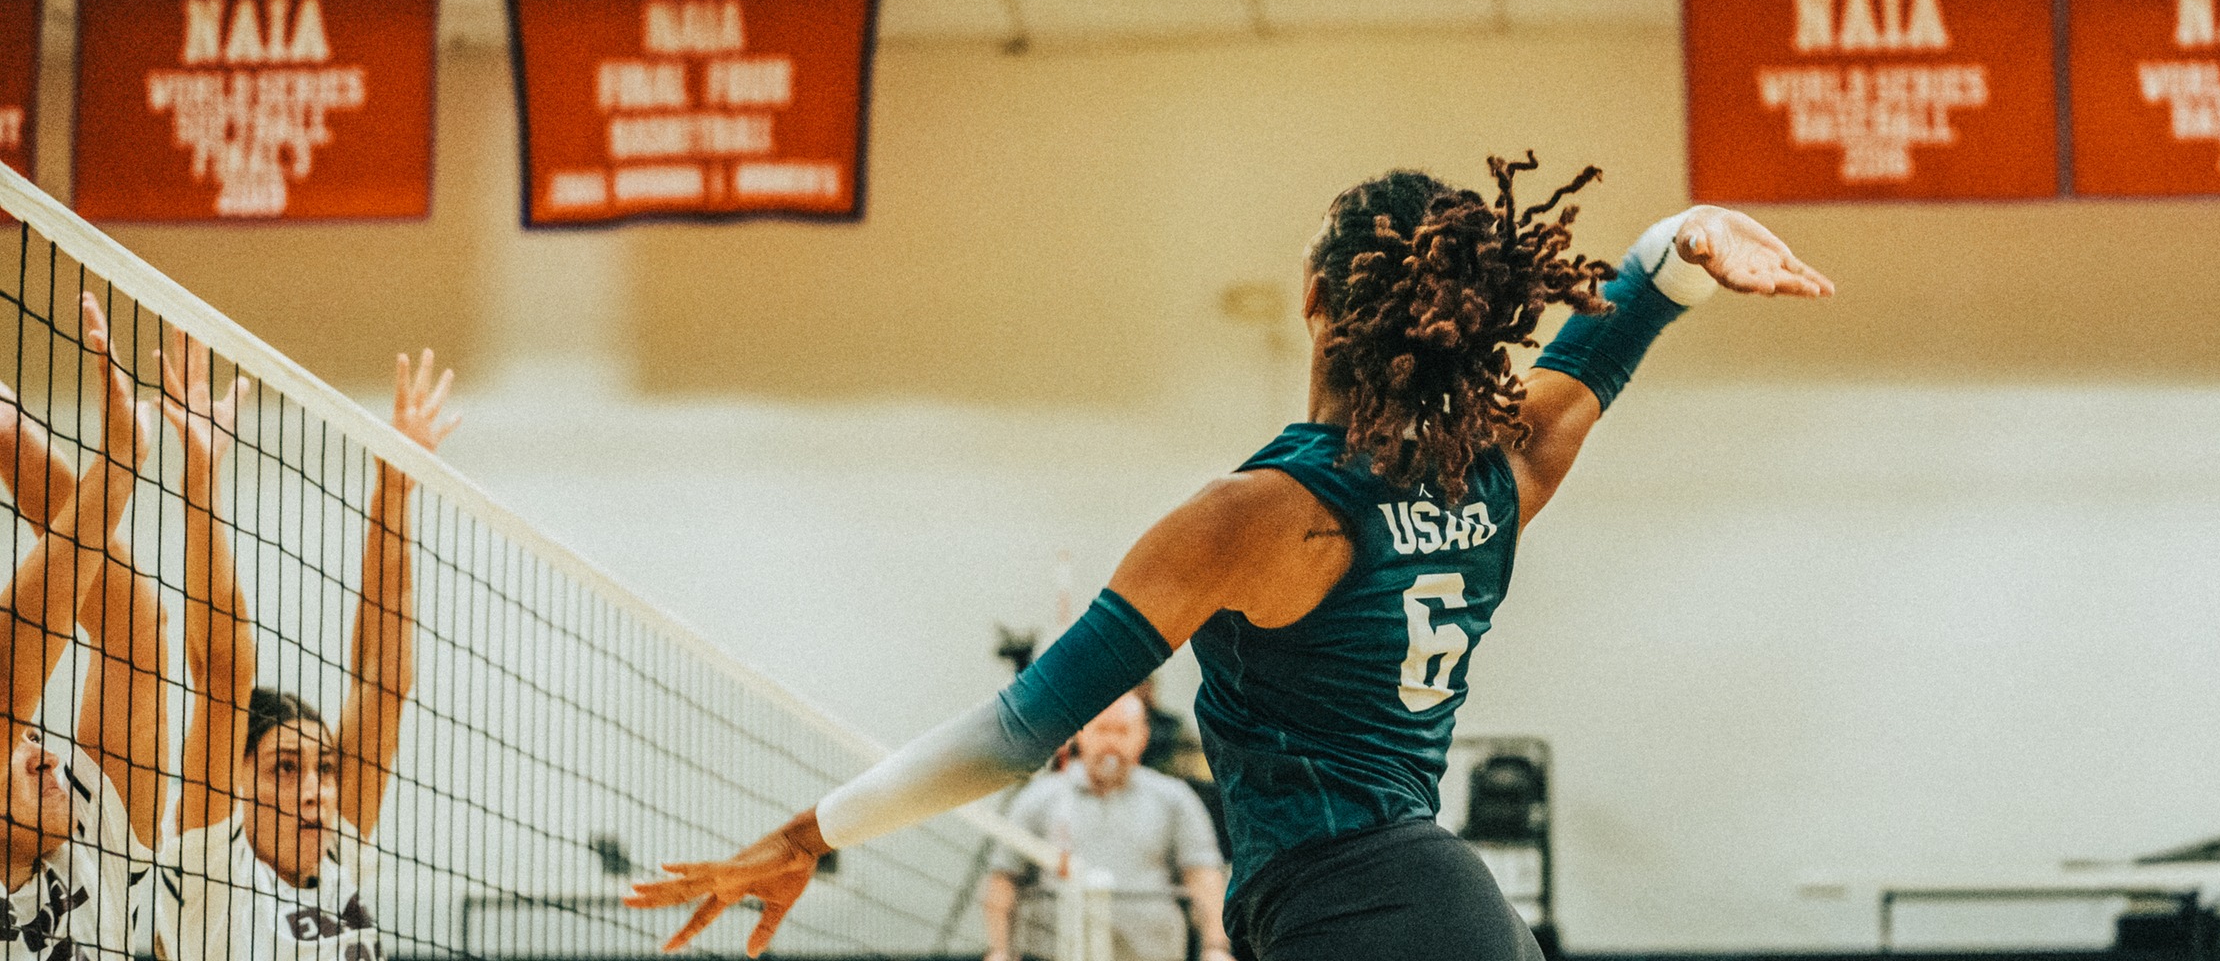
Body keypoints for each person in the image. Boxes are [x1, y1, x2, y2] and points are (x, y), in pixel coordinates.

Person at [629, 155, 1831, 960]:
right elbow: (1603, 346)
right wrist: (1681, 249)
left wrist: (811, 831)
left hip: (1362, 909)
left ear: (1315, 297)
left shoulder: (1256, 514)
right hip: (1410, 905)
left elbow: (1018, 727)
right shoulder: (1499, 476)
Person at [154, 342, 455, 961]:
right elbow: (222, 670)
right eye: (284, 768)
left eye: (322, 768)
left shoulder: (335, 856)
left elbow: (384, 679)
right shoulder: (212, 874)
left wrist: (392, 493)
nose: (317, 789)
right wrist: (200, 483)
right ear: (233, 783)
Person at [0, 294, 164, 961]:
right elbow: (6, 680)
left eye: (36, 736)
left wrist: (11, 440)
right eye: (18, 742)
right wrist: (116, 466)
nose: (47, 753)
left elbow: (135, 631)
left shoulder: (97, 856)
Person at [982, 692, 1227, 961]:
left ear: (1142, 736)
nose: (1111, 743)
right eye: (1102, 730)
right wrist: (1000, 951)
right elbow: (1004, 878)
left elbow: (1203, 876)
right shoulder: (1038, 798)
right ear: (1079, 735)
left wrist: (1215, 948)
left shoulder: (1175, 798)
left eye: (1122, 731)